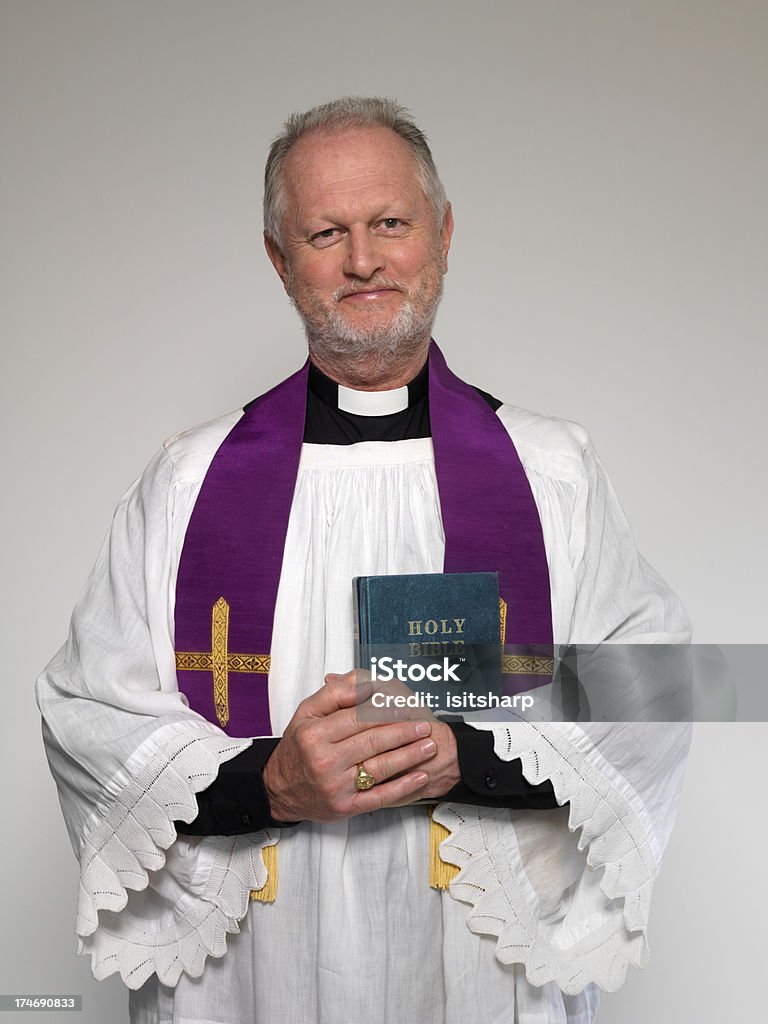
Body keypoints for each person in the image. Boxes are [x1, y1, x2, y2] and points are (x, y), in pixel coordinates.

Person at [37, 97, 691, 1024]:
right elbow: (84, 711)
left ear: (444, 233)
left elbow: (657, 689)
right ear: (278, 257)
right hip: (254, 971)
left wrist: (462, 756)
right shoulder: (190, 481)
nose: (363, 259)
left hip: (475, 967)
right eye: (324, 231)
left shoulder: (552, 472)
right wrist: (268, 781)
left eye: (391, 223)